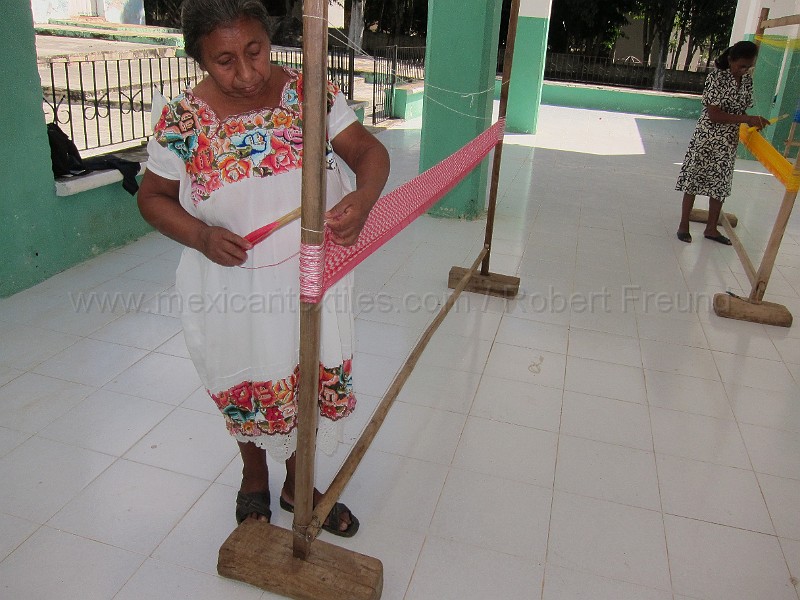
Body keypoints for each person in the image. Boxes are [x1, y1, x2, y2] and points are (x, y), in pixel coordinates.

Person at [137, 0, 389, 536]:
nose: (247, 72)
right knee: (249, 375)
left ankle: (300, 483)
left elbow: (369, 153)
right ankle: (254, 474)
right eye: (225, 60)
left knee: (307, 373)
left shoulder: (308, 91)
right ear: (199, 59)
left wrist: (363, 199)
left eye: (255, 50)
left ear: (268, 37)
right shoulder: (183, 119)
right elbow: (153, 197)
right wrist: (201, 236)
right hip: (233, 283)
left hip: (310, 274)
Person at [676, 40, 770, 244]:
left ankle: (711, 228)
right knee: (694, 179)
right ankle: (684, 224)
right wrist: (747, 119)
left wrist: (755, 121)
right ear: (731, 59)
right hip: (707, 138)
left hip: (727, 141)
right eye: (741, 65)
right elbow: (714, 115)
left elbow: (740, 111)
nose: (744, 70)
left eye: (749, 66)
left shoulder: (746, 82)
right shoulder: (716, 78)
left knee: (720, 184)